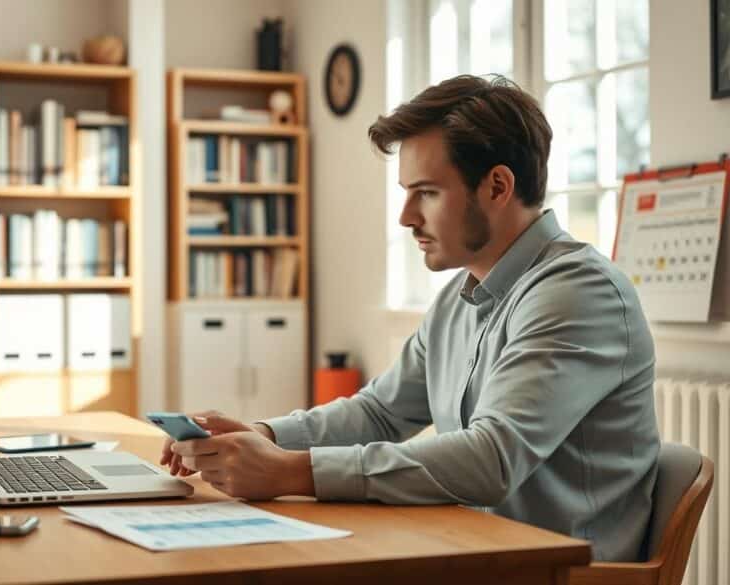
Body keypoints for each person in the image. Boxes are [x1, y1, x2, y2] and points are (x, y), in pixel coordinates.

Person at [161, 74, 659, 562]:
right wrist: (261, 436)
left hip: (558, 575)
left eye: (427, 192)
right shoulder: (457, 300)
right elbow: (380, 413)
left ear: (498, 186)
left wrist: (292, 471)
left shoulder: (578, 291)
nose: (405, 216)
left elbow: (492, 458)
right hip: (475, 554)